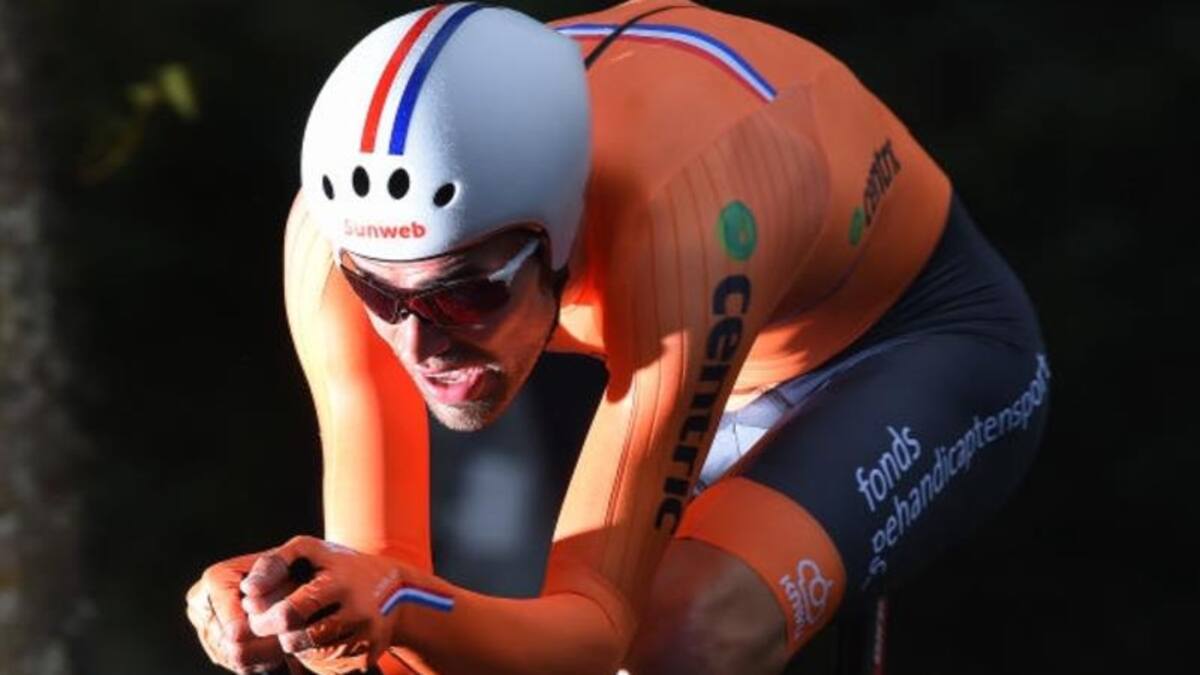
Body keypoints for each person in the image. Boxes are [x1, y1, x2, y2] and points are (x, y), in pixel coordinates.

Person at [184, 1, 1051, 673]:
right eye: (380, 294)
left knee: (683, 630)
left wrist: (403, 604)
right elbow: (379, 616)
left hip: (917, 344)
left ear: (564, 230)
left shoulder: (675, 223)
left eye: (468, 294)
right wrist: (300, 612)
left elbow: (594, 631)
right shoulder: (334, 238)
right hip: (713, 333)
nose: (419, 346)